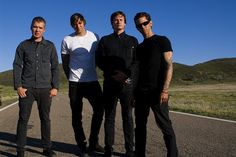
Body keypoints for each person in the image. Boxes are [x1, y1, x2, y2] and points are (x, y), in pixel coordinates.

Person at [133, 12, 178, 157]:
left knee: (165, 125)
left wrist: (164, 90)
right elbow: (137, 72)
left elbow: (169, 65)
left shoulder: (162, 40)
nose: (142, 27)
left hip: (157, 91)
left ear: (150, 23)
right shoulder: (139, 48)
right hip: (141, 92)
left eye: (144, 23)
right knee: (139, 127)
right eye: (139, 25)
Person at [13, 16, 59, 157]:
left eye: (40, 27)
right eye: (35, 27)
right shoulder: (23, 45)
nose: (37, 30)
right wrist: (18, 86)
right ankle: (20, 150)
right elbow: (17, 65)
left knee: (45, 119)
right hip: (27, 88)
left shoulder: (50, 46)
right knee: (23, 119)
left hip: (45, 88)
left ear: (44, 30)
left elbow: (55, 67)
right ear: (31, 28)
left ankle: (47, 148)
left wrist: (55, 86)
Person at [61, 13, 104, 156]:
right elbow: (65, 63)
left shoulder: (95, 36)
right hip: (75, 84)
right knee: (76, 115)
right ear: (71, 25)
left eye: (80, 23)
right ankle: (81, 145)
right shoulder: (67, 40)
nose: (77, 25)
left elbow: (99, 57)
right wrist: (71, 78)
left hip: (92, 81)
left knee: (99, 110)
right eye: (74, 23)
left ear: (84, 22)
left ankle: (93, 142)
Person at [96, 11, 138, 157]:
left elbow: (136, 62)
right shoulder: (105, 40)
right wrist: (114, 74)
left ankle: (129, 149)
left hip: (127, 84)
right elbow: (99, 61)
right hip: (110, 83)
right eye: (115, 20)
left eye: (121, 19)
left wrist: (127, 75)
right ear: (111, 23)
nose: (118, 22)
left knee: (128, 117)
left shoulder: (133, 41)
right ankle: (109, 148)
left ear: (125, 23)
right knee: (109, 117)